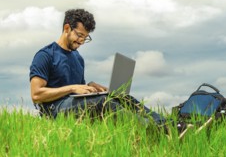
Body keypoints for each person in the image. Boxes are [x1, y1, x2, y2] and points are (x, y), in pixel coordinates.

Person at [30, 8, 165, 125]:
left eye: (86, 37)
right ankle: (148, 128)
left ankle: (166, 124)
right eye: (79, 35)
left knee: (121, 97)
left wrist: (90, 87)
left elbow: (78, 91)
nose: (82, 41)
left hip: (73, 105)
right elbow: (36, 95)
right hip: (54, 110)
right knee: (102, 102)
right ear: (67, 28)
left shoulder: (78, 58)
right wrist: (72, 88)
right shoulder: (45, 55)